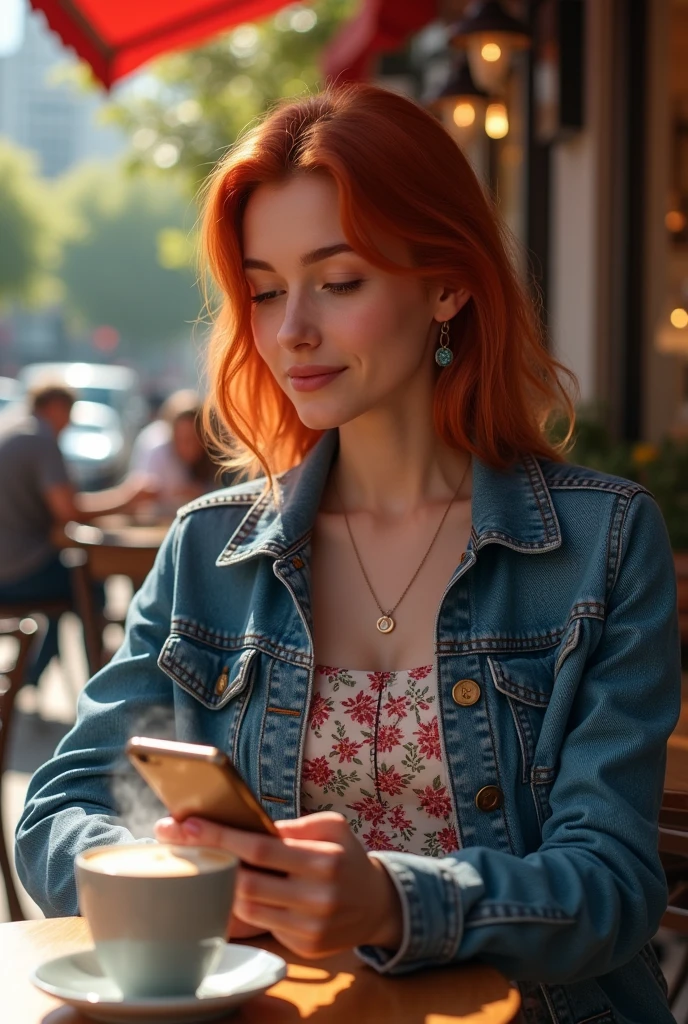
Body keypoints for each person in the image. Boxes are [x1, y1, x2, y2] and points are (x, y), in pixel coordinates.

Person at [15, 85, 680, 1023]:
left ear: (447, 283)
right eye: (265, 290)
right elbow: (60, 810)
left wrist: (393, 901)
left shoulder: (600, 543)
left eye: (340, 280)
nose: (292, 331)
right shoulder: (211, 547)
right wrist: (177, 873)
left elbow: (610, 883)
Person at [0, 382, 152, 685]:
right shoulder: (39, 439)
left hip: (11, 565)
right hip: (16, 572)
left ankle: (31, 676)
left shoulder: (12, 428)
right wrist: (126, 499)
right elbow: (68, 511)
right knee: (88, 581)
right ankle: (101, 679)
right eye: (68, 415)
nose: (68, 425)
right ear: (56, 407)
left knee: (67, 581)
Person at [129, 390, 217, 514]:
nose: (189, 447)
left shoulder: (213, 454)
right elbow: (143, 502)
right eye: (182, 439)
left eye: (194, 439)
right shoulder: (156, 449)